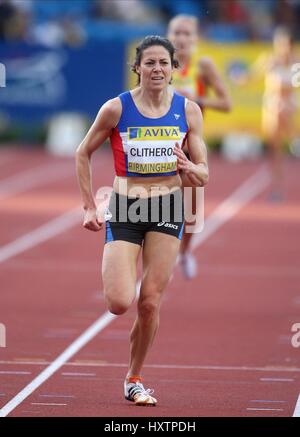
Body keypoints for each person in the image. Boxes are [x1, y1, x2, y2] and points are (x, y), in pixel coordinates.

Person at [76, 35, 208, 406]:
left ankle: (134, 378)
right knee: (119, 302)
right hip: (127, 207)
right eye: (149, 63)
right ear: (137, 68)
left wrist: (190, 167)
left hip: (167, 208)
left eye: (163, 63)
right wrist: (89, 206)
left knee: (149, 303)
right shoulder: (116, 109)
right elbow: (82, 152)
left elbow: (204, 174)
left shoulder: (188, 110)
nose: (156, 69)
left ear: (173, 68)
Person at [167, 14, 231, 279]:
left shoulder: (202, 66)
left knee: (192, 209)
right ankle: (164, 254)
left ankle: (185, 252)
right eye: (177, 33)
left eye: (186, 34)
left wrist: (198, 98)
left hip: (192, 143)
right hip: (165, 142)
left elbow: (227, 103)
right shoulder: (160, 63)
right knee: (161, 201)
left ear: (195, 38)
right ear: (169, 35)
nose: (181, 38)